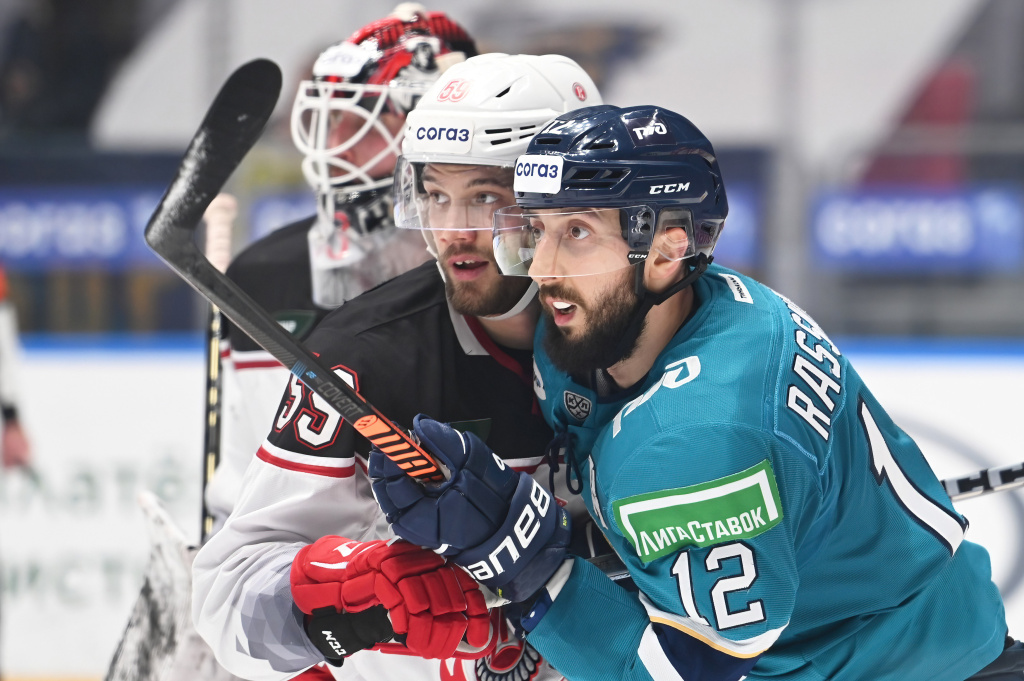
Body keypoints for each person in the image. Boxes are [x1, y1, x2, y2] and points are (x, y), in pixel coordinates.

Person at [369, 105, 1024, 680]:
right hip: (900, 624)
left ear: (665, 253)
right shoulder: (650, 317)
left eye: (577, 234)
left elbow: (680, 672)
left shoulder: (699, 437)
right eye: (538, 232)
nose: (541, 269)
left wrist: (521, 566)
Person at [192, 53, 604, 681]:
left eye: (485, 197)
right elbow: (227, 601)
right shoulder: (363, 358)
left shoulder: (645, 336)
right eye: (436, 196)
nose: (452, 231)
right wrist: (355, 591)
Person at [203, 3, 476, 537]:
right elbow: (244, 495)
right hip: (305, 571)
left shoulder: (496, 276)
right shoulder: (262, 276)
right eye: (332, 120)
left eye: (362, 122)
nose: (334, 146)